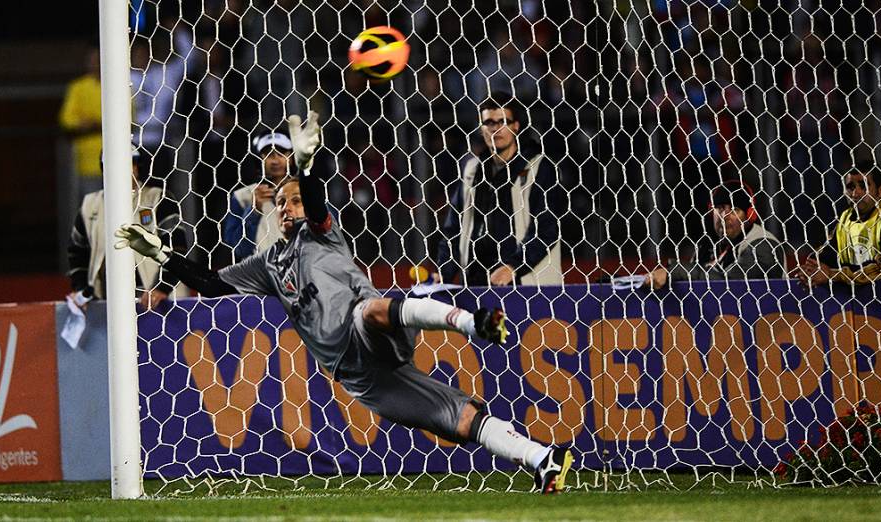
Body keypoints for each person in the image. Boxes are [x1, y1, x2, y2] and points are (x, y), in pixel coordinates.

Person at [114, 112, 574, 494]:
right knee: (456, 418)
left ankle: (475, 323)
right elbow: (213, 284)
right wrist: (161, 254)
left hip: (377, 331)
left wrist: (309, 164)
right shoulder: (269, 264)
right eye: (281, 203)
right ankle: (542, 459)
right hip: (362, 377)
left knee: (369, 310)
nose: (288, 208)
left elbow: (315, 202)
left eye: (294, 201)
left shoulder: (323, 235)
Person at [435, 91, 564, 287]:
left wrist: (512, 267)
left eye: (503, 121)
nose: (496, 129)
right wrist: (443, 273)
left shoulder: (538, 168)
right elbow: (453, 229)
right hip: (477, 283)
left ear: (516, 126)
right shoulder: (473, 170)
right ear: (481, 128)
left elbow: (546, 229)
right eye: (489, 123)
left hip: (525, 285)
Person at [67, 146, 185, 311]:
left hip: (162, 304)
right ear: (104, 168)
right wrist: (80, 289)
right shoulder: (90, 205)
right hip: (109, 306)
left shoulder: (158, 198)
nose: (122, 169)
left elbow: (177, 248)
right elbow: (77, 252)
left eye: (129, 163)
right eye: (114, 164)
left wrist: (162, 287)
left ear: (137, 166)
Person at [795, 166, 881, 287]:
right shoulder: (846, 218)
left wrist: (832, 274)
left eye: (864, 186)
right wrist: (811, 269)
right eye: (850, 187)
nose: (856, 193)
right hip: (864, 297)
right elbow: (827, 254)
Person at [644, 180, 785, 289]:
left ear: (750, 215)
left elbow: (733, 287)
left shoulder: (763, 244)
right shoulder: (709, 245)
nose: (725, 216)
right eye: (720, 208)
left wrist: (677, 271)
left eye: (734, 209)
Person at [223, 130, 295, 261]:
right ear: (257, 159)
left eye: (281, 153)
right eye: (268, 154)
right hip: (261, 275)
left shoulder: (307, 193)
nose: (275, 160)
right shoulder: (242, 197)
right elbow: (238, 249)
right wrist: (254, 211)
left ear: (291, 158)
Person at [58, 43, 103, 201]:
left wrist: (96, 123)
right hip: (87, 162)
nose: (95, 64)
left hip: (116, 161)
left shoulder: (116, 85)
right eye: (92, 60)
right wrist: (90, 124)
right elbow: (66, 119)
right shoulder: (78, 87)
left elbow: (130, 115)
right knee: (92, 209)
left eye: (98, 60)